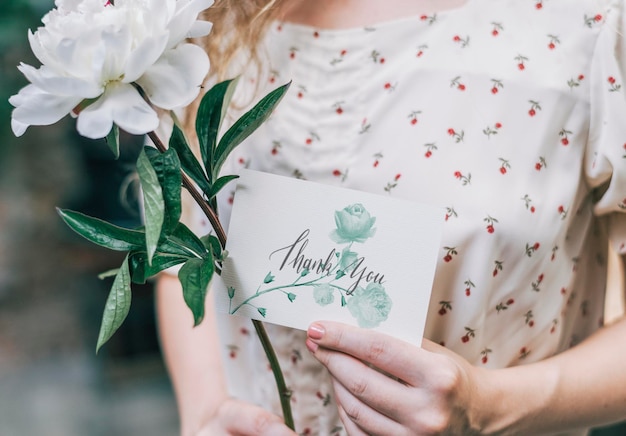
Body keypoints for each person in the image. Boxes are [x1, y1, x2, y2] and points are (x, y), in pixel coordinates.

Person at [156, 0, 626, 434]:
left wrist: (486, 405)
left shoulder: (588, 22)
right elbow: (179, 255)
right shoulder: (205, 16)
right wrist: (204, 410)